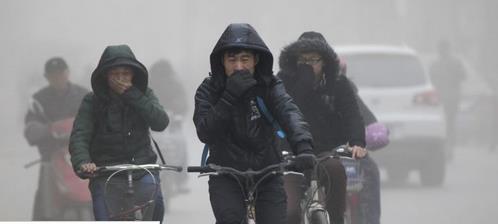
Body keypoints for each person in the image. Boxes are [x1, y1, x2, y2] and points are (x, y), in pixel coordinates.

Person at [193, 23, 316, 224]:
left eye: (245, 59)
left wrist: (303, 146)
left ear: (256, 60)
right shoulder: (208, 89)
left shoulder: (269, 85)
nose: (239, 66)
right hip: (225, 173)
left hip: (268, 172)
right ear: (222, 61)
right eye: (232, 60)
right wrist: (229, 97)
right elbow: (205, 132)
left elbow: (289, 112)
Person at [69, 44, 169, 221]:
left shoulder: (145, 94)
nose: (120, 79)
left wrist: (132, 95)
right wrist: (84, 162)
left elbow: (160, 122)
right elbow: (80, 135)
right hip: (105, 173)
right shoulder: (92, 102)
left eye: (125, 74)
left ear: (133, 75)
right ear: (106, 76)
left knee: (156, 206)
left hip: (142, 170)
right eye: (115, 74)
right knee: (104, 216)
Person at [277, 31, 367, 224]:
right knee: (290, 212)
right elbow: (282, 112)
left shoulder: (339, 84)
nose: (308, 64)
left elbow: (352, 115)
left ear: (325, 61)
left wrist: (357, 142)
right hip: (291, 155)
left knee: (335, 171)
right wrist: (304, 83)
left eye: (314, 59)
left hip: (325, 151)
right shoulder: (283, 82)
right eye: (303, 59)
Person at [24, 57, 89, 220]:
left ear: (68, 73)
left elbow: (100, 120)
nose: (57, 78)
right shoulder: (39, 100)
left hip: (82, 158)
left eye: (61, 74)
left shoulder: (84, 95)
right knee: (45, 207)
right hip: (51, 160)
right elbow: (30, 128)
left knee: (102, 195)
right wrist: (48, 130)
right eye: (53, 76)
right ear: (46, 77)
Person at [429, 40, 466, 150]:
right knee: (449, 122)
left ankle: (447, 144)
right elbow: (464, 76)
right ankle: (448, 144)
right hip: (447, 98)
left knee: (447, 122)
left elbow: (430, 80)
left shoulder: (436, 64)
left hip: (443, 98)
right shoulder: (454, 63)